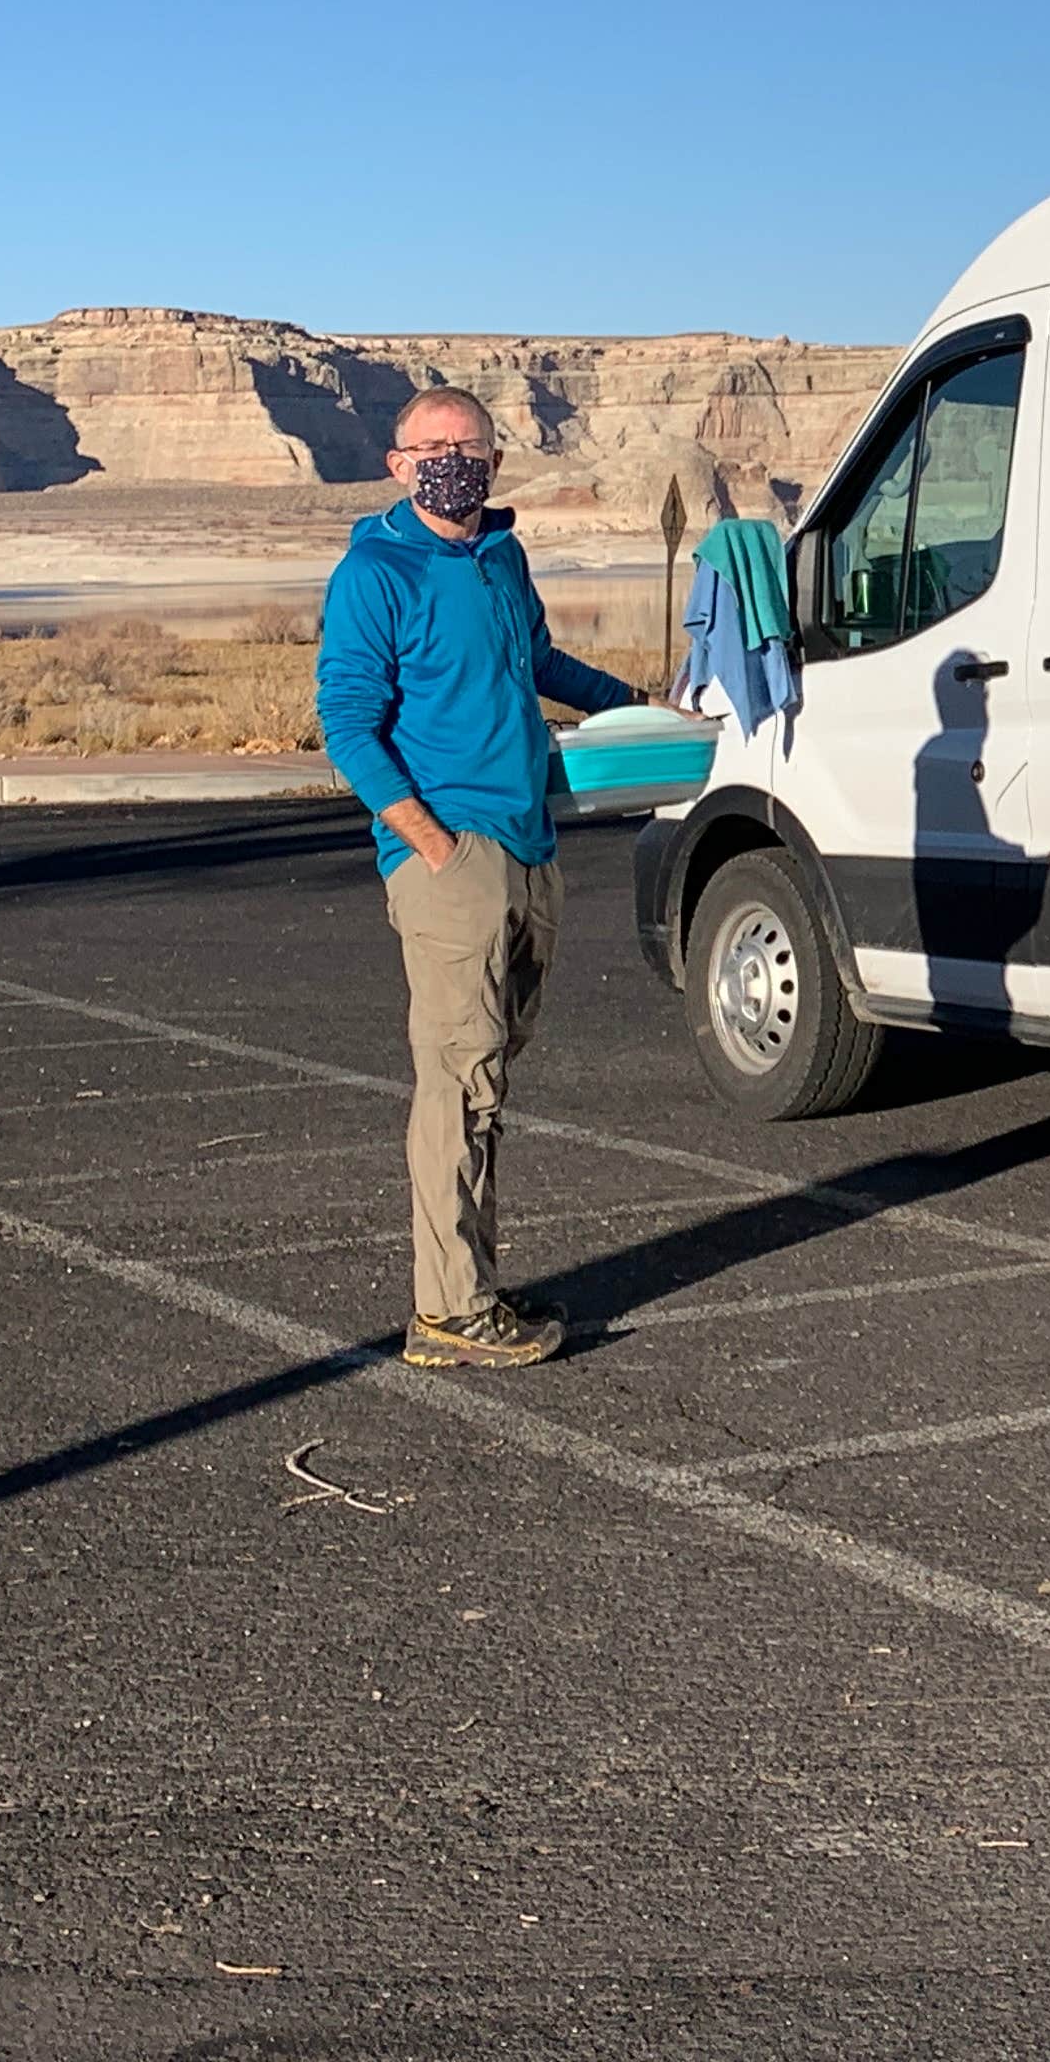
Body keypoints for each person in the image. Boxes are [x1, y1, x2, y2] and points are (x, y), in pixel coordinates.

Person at [314, 386, 646, 1368]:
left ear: (496, 461)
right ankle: (448, 1312)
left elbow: (538, 661)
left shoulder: (500, 556)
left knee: (488, 1078)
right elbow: (347, 723)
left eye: (469, 447)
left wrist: (637, 705)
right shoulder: (374, 571)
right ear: (398, 463)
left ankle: (473, 1287)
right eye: (433, 449)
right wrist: (430, 844)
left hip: (528, 845)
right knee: (458, 1082)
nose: (452, 463)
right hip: (452, 857)